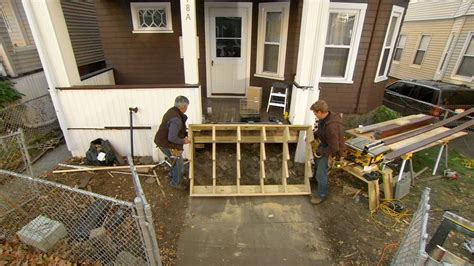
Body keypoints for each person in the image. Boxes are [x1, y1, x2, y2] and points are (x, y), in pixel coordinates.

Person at [310, 100, 346, 204]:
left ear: (320, 112)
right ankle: (315, 182)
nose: (315, 115)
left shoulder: (331, 127)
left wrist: (321, 151)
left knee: (322, 173)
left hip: (331, 151)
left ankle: (321, 195)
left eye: (315, 113)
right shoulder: (325, 118)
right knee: (317, 164)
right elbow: (321, 131)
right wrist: (315, 135)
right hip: (326, 144)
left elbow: (334, 147)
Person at [154, 96, 191, 189]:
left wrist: (186, 133)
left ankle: (174, 174)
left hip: (162, 140)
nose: (187, 108)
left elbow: (175, 131)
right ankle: (176, 183)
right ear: (183, 107)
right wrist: (184, 141)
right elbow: (172, 138)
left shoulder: (173, 111)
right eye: (187, 107)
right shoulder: (176, 119)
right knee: (179, 163)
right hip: (166, 143)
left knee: (175, 161)